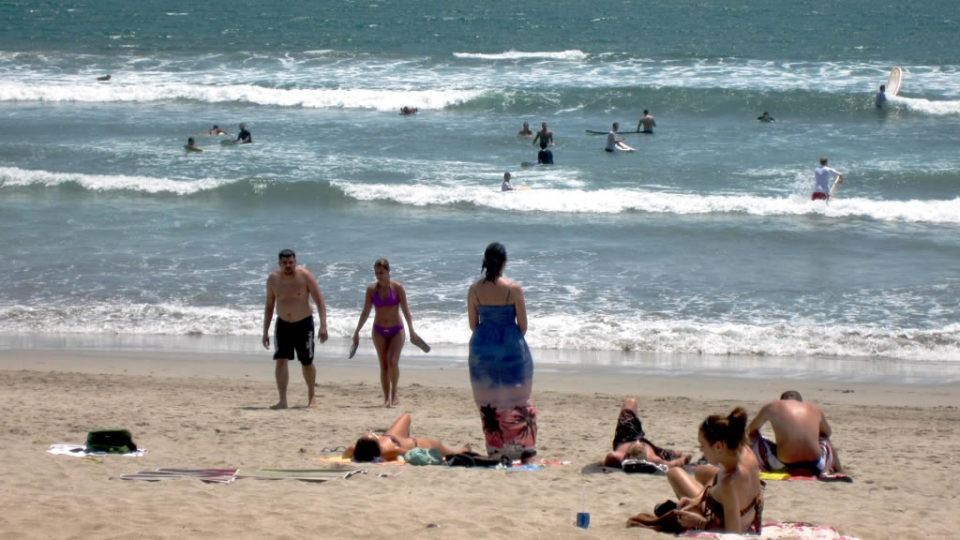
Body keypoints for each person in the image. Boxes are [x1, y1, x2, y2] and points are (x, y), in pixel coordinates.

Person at [628, 408, 763, 534]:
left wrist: (699, 522)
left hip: (719, 515)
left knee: (674, 473)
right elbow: (719, 475)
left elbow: (734, 534)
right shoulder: (743, 451)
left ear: (718, 446)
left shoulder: (729, 484)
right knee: (700, 471)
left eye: (702, 446)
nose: (701, 450)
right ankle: (693, 501)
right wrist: (698, 499)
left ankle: (680, 507)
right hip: (748, 511)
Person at [467, 242, 537, 462]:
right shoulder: (513, 289)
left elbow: (473, 323)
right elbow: (523, 325)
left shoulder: (474, 289)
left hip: (482, 346)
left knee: (489, 400)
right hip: (510, 344)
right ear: (504, 262)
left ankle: (496, 448)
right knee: (517, 398)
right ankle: (521, 447)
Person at [351, 258, 424, 407]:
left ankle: (394, 392)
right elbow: (365, 311)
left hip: (396, 330)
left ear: (388, 271)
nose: (379, 276)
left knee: (392, 361)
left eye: (382, 272)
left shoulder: (397, 288)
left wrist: (411, 330)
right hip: (378, 331)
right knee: (383, 364)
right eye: (377, 273)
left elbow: (406, 310)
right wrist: (357, 331)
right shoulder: (372, 290)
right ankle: (386, 398)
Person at [262, 249, 328, 409]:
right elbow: (270, 306)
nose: (288, 266)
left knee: (306, 362)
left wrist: (323, 326)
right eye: (285, 263)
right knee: (281, 360)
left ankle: (312, 396)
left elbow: (320, 301)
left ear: (295, 261)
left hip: (304, 324)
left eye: (291, 262)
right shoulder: (273, 279)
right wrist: (265, 331)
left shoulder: (305, 276)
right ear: (279, 263)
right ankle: (282, 400)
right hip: (283, 324)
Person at [747, 390, 843, 476]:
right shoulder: (815, 409)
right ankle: (839, 470)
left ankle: (747, 467)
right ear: (801, 402)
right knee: (825, 438)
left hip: (783, 463)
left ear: (782, 401)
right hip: (816, 464)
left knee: (752, 437)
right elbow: (828, 433)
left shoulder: (771, 406)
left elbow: (750, 430)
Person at [342, 413, 471, 462]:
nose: (372, 432)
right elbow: (411, 454)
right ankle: (464, 450)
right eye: (373, 435)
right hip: (415, 443)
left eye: (371, 432)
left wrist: (353, 451)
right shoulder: (389, 450)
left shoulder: (355, 449)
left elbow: (345, 454)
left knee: (406, 416)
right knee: (451, 452)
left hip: (392, 436)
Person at [604, 398, 690, 468]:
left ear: (626, 454)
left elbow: (605, 462)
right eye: (642, 446)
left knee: (630, 401)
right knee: (677, 453)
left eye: (634, 446)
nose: (638, 442)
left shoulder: (616, 456)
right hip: (653, 448)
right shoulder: (654, 459)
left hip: (627, 436)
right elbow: (674, 464)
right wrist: (684, 460)